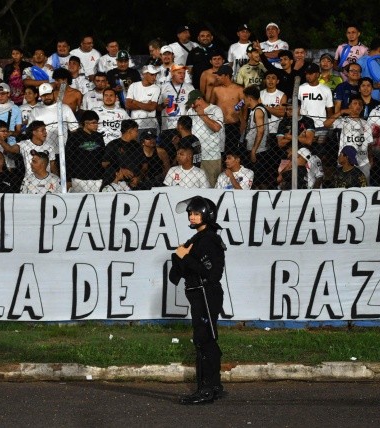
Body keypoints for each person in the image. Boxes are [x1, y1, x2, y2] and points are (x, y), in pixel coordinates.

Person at [169, 196, 226, 405]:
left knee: (204, 340)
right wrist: (181, 257)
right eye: (190, 213)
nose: (192, 217)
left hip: (205, 294)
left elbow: (211, 273)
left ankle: (206, 390)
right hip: (197, 294)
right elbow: (178, 273)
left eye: (196, 213)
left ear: (206, 215)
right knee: (207, 339)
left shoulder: (209, 239)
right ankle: (215, 386)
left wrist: (185, 257)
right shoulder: (196, 239)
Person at [185, 89, 224, 186]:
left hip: (211, 156)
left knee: (211, 186)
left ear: (200, 99)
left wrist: (203, 115)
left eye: (193, 103)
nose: (192, 106)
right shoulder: (190, 111)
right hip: (195, 156)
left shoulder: (215, 110)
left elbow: (216, 127)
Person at [27, 83, 79, 153]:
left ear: (53, 93)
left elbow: (74, 129)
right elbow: (30, 132)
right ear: (40, 96)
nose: (46, 97)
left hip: (62, 151)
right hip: (42, 151)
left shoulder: (64, 108)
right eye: (43, 95)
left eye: (48, 94)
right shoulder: (35, 111)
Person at [65, 110, 105, 192]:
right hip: (78, 179)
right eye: (93, 123)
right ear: (86, 123)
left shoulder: (98, 137)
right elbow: (68, 158)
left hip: (97, 178)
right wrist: (68, 179)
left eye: (97, 122)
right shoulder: (74, 137)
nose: (96, 125)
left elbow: (102, 155)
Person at [210, 64, 244, 154]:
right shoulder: (216, 90)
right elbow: (211, 106)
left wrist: (243, 123)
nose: (217, 77)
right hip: (219, 126)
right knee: (218, 151)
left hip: (233, 125)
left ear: (227, 76)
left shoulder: (239, 90)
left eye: (220, 75)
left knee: (232, 151)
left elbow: (244, 106)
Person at [126, 65, 160, 135]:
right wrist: (146, 105)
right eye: (152, 75)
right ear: (144, 74)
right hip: (135, 126)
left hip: (151, 125)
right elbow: (128, 105)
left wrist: (135, 102)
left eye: (155, 75)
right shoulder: (133, 86)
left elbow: (152, 107)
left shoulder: (156, 88)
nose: (154, 77)